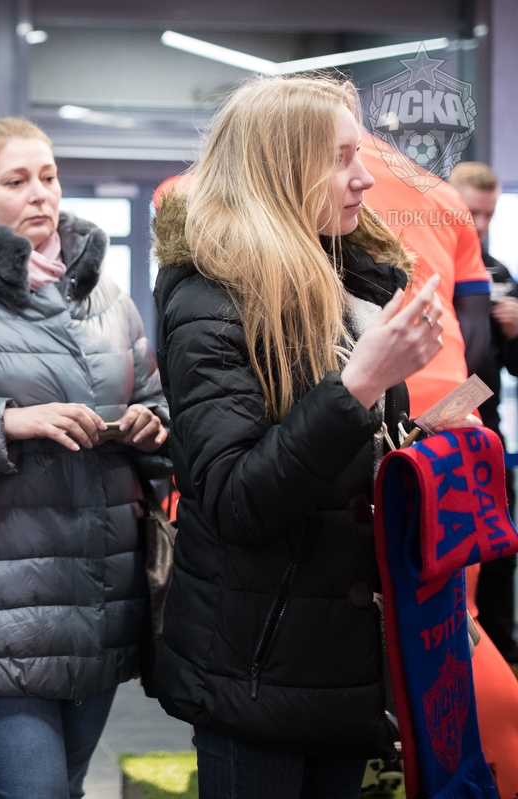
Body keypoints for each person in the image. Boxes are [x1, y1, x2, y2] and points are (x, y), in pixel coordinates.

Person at [152, 75, 457, 798]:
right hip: (256, 665)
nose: (364, 179)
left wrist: (421, 436)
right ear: (280, 170)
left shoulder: (350, 284)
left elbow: (338, 459)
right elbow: (237, 498)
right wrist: (358, 387)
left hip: (339, 663)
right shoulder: (212, 302)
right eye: (341, 158)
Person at [0, 116, 170, 799]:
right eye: (15, 181)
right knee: (33, 791)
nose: (40, 193)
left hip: (101, 585)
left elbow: (157, 405)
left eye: (48, 176)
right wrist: (9, 422)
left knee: (64, 788)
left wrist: (149, 426)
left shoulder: (106, 299)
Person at [360, 131, 492, 416]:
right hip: (451, 410)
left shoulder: (324, 177)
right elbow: (476, 327)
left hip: (368, 404)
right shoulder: (447, 197)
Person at [448, 160, 518, 667]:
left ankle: (503, 655)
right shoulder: (421, 263)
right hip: (432, 430)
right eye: (471, 212)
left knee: (500, 548)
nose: (480, 224)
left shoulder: (497, 274)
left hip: (486, 431)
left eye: (489, 214)